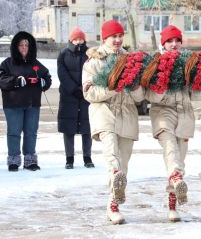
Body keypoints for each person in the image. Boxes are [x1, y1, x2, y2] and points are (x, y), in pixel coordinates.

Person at [82, 20, 144, 224]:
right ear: (104, 38)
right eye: (113, 37)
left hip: (127, 114)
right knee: (113, 159)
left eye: (120, 36)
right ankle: (115, 184)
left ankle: (113, 204)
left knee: (123, 165)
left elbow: (139, 98)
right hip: (104, 112)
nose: (117, 40)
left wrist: (134, 86)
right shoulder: (94, 61)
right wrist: (112, 88)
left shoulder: (131, 60)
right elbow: (89, 93)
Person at [145, 25, 199, 222]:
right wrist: (161, 84)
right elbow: (148, 95)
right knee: (169, 148)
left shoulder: (189, 62)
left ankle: (172, 205)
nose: (174, 44)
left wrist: (200, 82)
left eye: (177, 41)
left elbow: (197, 95)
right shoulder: (154, 63)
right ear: (163, 43)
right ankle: (176, 178)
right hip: (162, 112)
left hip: (184, 114)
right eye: (170, 41)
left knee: (178, 159)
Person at [0, 31, 52, 171]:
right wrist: (15, 81)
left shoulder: (36, 64)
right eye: (21, 45)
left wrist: (42, 82)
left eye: (27, 45)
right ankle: (13, 159)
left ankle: (30, 160)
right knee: (14, 132)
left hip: (33, 104)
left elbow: (47, 78)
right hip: (13, 104)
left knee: (31, 132)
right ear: (16, 46)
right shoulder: (7, 64)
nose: (24, 47)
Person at [57, 27, 94, 169]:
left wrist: (84, 89)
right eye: (76, 39)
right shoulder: (63, 54)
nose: (78, 42)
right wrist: (73, 89)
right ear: (71, 40)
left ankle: (87, 157)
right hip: (68, 96)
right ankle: (69, 158)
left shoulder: (89, 54)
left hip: (86, 95)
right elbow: (62, 74)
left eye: (81, 39)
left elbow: (93, 72)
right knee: (68, 128)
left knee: (87, 127)